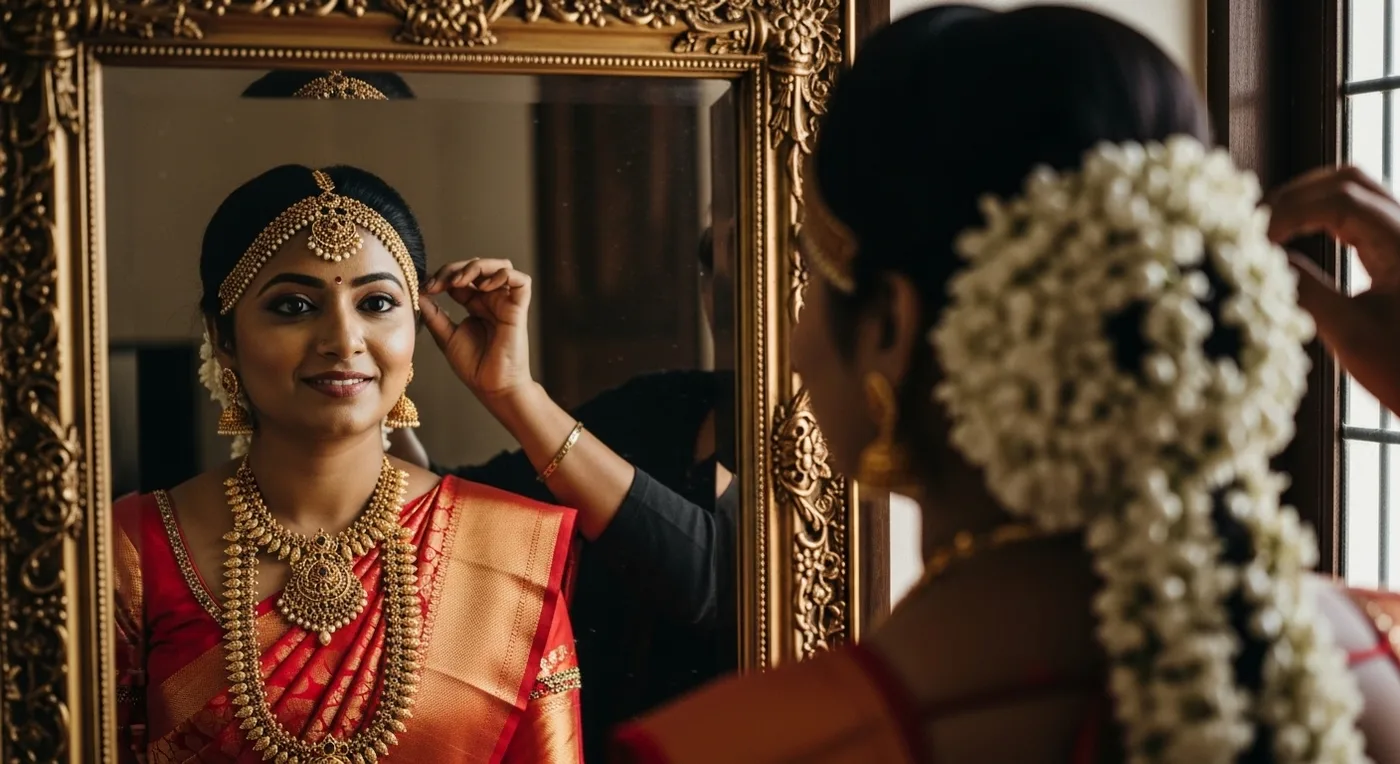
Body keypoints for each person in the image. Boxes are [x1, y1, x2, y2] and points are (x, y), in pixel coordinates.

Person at [612, 6, 1400, 763]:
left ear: (888, 326)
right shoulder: (1373, 660)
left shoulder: (733, 748)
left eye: (807, 276)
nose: (793, 340)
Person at [112, 164, 582, 763]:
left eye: (377, 303)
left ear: (415, 327)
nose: (343, 338)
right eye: (293, 306)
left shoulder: (509, 548)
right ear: (222, 336)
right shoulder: (131, 551)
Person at [397, 227, 739, 762]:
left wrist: (514, 392)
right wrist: (371, 383)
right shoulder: (662, 404)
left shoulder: (831, 459)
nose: (718, 273)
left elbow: (714, 578)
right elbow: (446, 502)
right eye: (708, 251)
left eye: (738, 244)